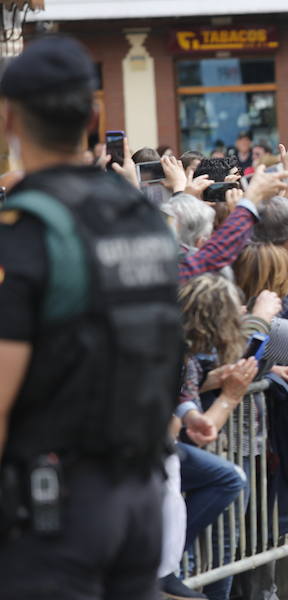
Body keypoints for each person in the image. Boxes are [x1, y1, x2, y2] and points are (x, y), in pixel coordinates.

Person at [0, 35, 182, 598]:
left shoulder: (28, 230)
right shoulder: (142, 217)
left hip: (57, 508)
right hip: (138, 497)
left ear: (8, 119)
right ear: (94, 116)